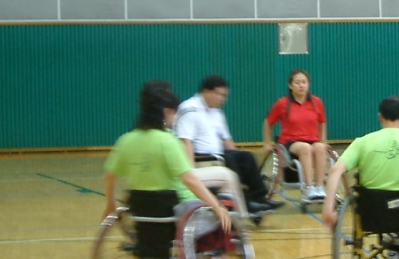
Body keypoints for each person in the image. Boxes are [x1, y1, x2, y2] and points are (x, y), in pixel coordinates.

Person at [102, 83, 232, 234]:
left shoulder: (125, 140)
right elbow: (189, 179)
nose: (175, 118)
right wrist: (217, 206)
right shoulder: (169, 141)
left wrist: (110, 205)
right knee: (222, 211)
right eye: (174, 113)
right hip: (177, 209)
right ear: (166, 112)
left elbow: (109, 177)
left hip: (141, 211)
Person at [321, 96, 399, 231]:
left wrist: (328, 209)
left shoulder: (362, 142)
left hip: (370, 209)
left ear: (380, 117)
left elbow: (335, 170)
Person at [174, 75, 282, 214]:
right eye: (219, 94)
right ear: (206, 92)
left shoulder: (217, 112)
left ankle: (259, 198)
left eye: (224, 95)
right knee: (230, 159)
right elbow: (186, 141)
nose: (222, 99)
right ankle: (246, 205)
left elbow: (227, 140)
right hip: (201, 158)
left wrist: (238, 155)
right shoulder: (190, 109)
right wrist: (191, 171)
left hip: (218, 155)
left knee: (246, 157)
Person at [263, 69, 330, 201]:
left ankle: (319, 186)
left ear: (308, 84)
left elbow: (322, 122)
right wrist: (267, 143)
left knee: (320, 148)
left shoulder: (316, 102)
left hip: (312, 139)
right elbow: (268, 122)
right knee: (305, 148)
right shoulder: (282, 103)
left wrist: (323, 140)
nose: (301, 85)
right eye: (297, 82)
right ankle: (309, 188)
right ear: (290, 85)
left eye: (304, 82)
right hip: (290, 142)